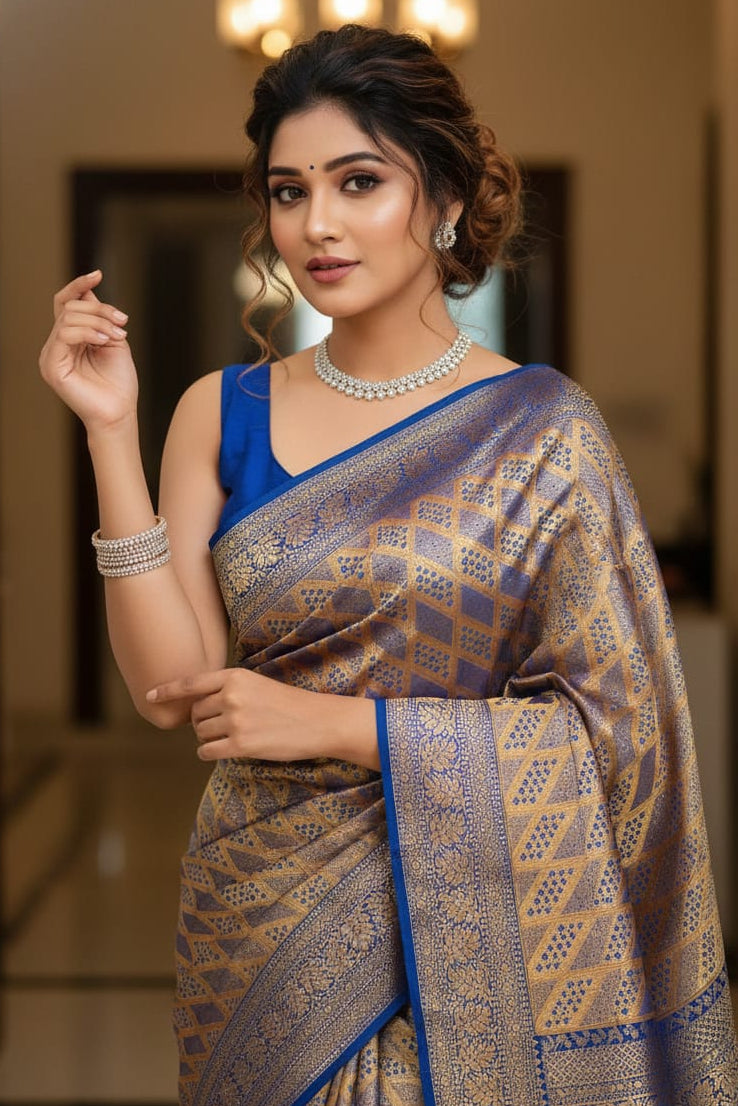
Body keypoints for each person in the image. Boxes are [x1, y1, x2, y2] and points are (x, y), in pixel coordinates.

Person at [39, 23, 737, 1106]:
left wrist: (335, 724)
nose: (316, 223)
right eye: (288, 190)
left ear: (446, 198)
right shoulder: (221, 412)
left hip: (480, 923)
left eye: (359, 181)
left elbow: (620, 732)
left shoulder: (546, 431)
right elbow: (168, 687)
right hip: (259, 923)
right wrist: (107, 433)